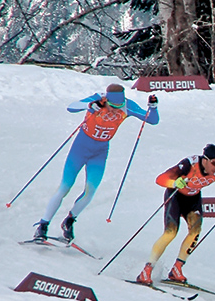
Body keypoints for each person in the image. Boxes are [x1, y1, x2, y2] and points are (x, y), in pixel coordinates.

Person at [34, 83, 159, 242]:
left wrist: (153, 107)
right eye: (112, 106)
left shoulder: (127, 106)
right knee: (65, 187)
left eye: (118, 106)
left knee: (90, 192)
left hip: (99, 153)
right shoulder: (98, 99)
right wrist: (90, 105)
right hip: (80, 149)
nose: (115, 110)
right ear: (106, 100)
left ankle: (69, 221)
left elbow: (152, 120)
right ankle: (43, 226)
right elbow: (71, 107)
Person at [135, 144, 215, 285]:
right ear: (205, 160)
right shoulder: (189, 164)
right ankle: (146, 270)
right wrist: (174, 182)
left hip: (193, 199)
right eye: (214, 163)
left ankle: (177, 269)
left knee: (195, 231)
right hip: (175, 196)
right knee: (170, 233)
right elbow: (160, 179)